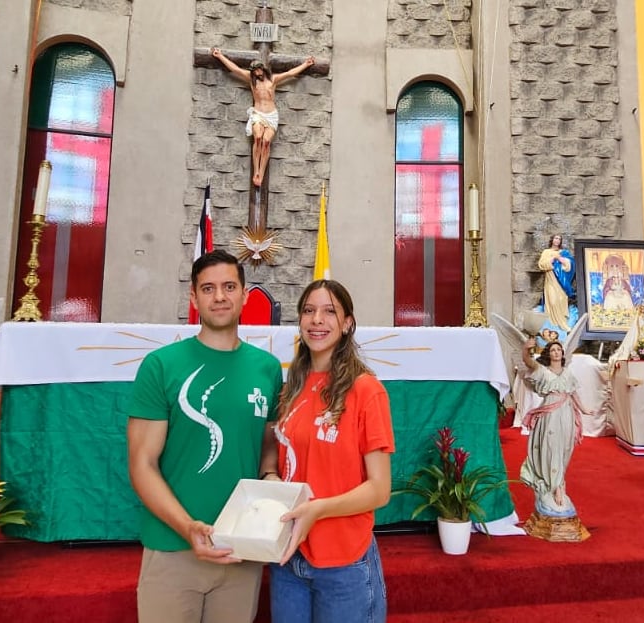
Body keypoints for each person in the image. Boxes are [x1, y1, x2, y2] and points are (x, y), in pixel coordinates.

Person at [127, 249, 284, 623]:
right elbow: (142, 464)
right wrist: (187, 528)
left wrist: (270, 477)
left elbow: (267, 443)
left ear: (246, 295)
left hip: (240, 548)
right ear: (193, 298)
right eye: (208, 288)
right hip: (173, 546)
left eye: (229, 286)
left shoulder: (267, 368)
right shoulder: (162, 366)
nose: (219, 297)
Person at [260, 279, 395, 623]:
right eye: (308, 311)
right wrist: (271, 477)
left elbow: (379, 490)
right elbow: (275, 453)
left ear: (348, 323)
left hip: (343, 562)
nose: (317, 320)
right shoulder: (292, 387)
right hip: (289, 557)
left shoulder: (367, 391)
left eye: (329, 311)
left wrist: (318, 510)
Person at [519, 337, 593, 542]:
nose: (556, 352)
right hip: (551, 415)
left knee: (564, 449)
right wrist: (526, 349)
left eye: (559, 349)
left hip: (567, 413)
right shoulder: (543, 372)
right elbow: (528, 362)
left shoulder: (568, 373)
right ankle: (556, 488)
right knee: (551, 449)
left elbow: (573, 393)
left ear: (563, 353)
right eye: (552, 350)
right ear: (548, 354)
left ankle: (559, 484)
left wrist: (584, 409)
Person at [211, 48, 315, 187]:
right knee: (258, 137)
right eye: (254, 71)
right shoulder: (251, 79)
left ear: (263, 69)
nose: (257, 73)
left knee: (266, 142)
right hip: (258, 114)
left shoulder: (273, 79)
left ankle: (261, 171)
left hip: (271, 116)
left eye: (258, 69)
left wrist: (306, 64)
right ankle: (256, 172)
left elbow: (290, 73)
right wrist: (220, 56)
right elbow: (235, 69)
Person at [537, 234, 574, 331]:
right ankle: (552, 324)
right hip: (551, 280)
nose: (557, 240)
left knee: (561, 300)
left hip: (561, 283)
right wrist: (553, 259)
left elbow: (570, 266)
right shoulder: (546, 252)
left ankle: (562, 324)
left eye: (559, 239)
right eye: (556, 238)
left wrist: (560, 259)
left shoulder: (563, 253)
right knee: (552, 301)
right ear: (552, 240)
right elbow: (541, 265)